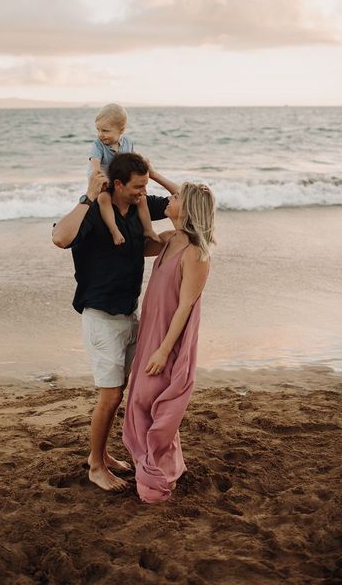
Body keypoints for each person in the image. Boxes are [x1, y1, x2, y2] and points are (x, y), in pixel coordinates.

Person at [52, 153, 178, 492]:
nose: (143, 193)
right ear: (118, 184)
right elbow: (60, 238)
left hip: (128, 313)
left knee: (123, 392)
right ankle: (95, 465)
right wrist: (87, 196)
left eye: (145, 186)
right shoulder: (93, 212)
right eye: (137, 187)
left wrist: (156, 175)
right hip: (101, 317)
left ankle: (104, 455)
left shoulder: (140, 205)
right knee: (110, 396)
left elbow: (187, 204)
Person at [122, 182, 216, 503]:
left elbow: (185, 306)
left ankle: (158, 473)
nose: (168, 198)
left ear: (187, 209)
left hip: (168, 335)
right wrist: (153, 175)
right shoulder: (169, 239)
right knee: (141, 395)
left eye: (174, 198)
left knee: (151, 399)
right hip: (152, 327)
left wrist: (164, 350)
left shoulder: (196, 253)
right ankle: (166, 464)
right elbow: (144, 215)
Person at [89, 103, 161, 245]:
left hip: (121, 181)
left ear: (120, 130)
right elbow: (95, 162)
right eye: (98, 129)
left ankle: (148, 229)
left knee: (143, 199)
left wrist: (142, 162)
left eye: (105, 130)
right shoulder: (98, 144)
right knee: (104, 199)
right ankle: (114, 230)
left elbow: (131, 159)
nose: (101, 134)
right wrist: (98, 175)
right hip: (103, 180)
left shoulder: (127, 142)